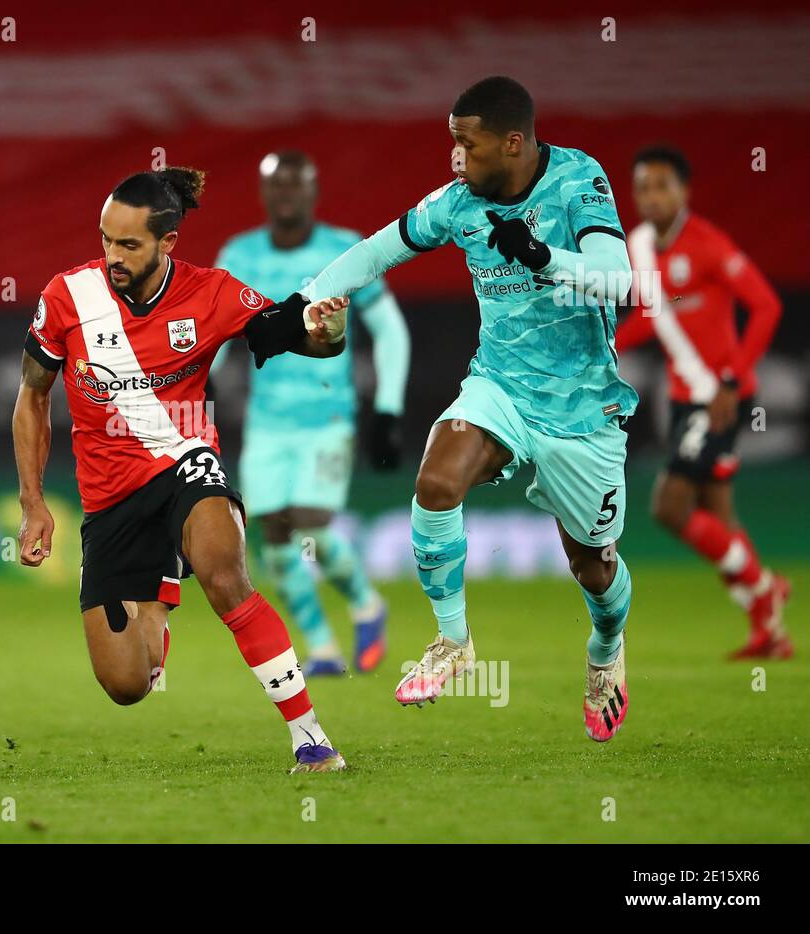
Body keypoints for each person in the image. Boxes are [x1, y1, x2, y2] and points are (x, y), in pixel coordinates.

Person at [299, 76, 637, 742]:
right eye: (451, 142)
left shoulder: (578, 179)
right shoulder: (458, 205)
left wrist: (543, 256)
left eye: (467, 144)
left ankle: (606, 648)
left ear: (513, 143)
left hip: (582, 407)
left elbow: (620, 277)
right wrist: (306, 300)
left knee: (592, 566)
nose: (456, 158)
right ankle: (454, 641)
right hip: (501, 388)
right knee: (436, 479)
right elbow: (378, 249)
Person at [12, 166, 351, 772]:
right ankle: (160, 594)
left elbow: (290, 330)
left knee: (225, 574)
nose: (113, 255)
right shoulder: (68, 298)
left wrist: (328, 332)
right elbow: (32, 395)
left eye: (129, 244)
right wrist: (33, 501)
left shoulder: (212, 292)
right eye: (106, 240)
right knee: (126, 685)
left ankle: (310, 737)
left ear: (168, 243)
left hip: (185, 463)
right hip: (109, 498)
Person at [213, 150, 410, 675]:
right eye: (277, 186)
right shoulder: (240, 254)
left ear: (313, 192)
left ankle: (367, 604)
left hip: (326, 420)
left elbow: (390, 329)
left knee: (312, 531)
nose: (286, 196)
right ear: (263, 193)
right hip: (267, 424)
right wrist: (193, 390)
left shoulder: (343, 250)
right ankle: (322, 647)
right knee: (274, 536)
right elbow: (212, 333)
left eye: (296, 186)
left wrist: (388, 410)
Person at [618, 144, 790, 658]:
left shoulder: (709, 244)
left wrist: (734, 381)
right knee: (719, 514)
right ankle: (769, 630)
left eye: (662, 185)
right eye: (643, 187)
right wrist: (609, 345)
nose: (651, 197)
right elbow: (654, 315)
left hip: (718, 398)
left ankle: (764, 587)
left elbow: (766, 306)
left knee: (671, 507)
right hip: (684, 397)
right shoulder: (641, 244)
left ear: (684, 191)